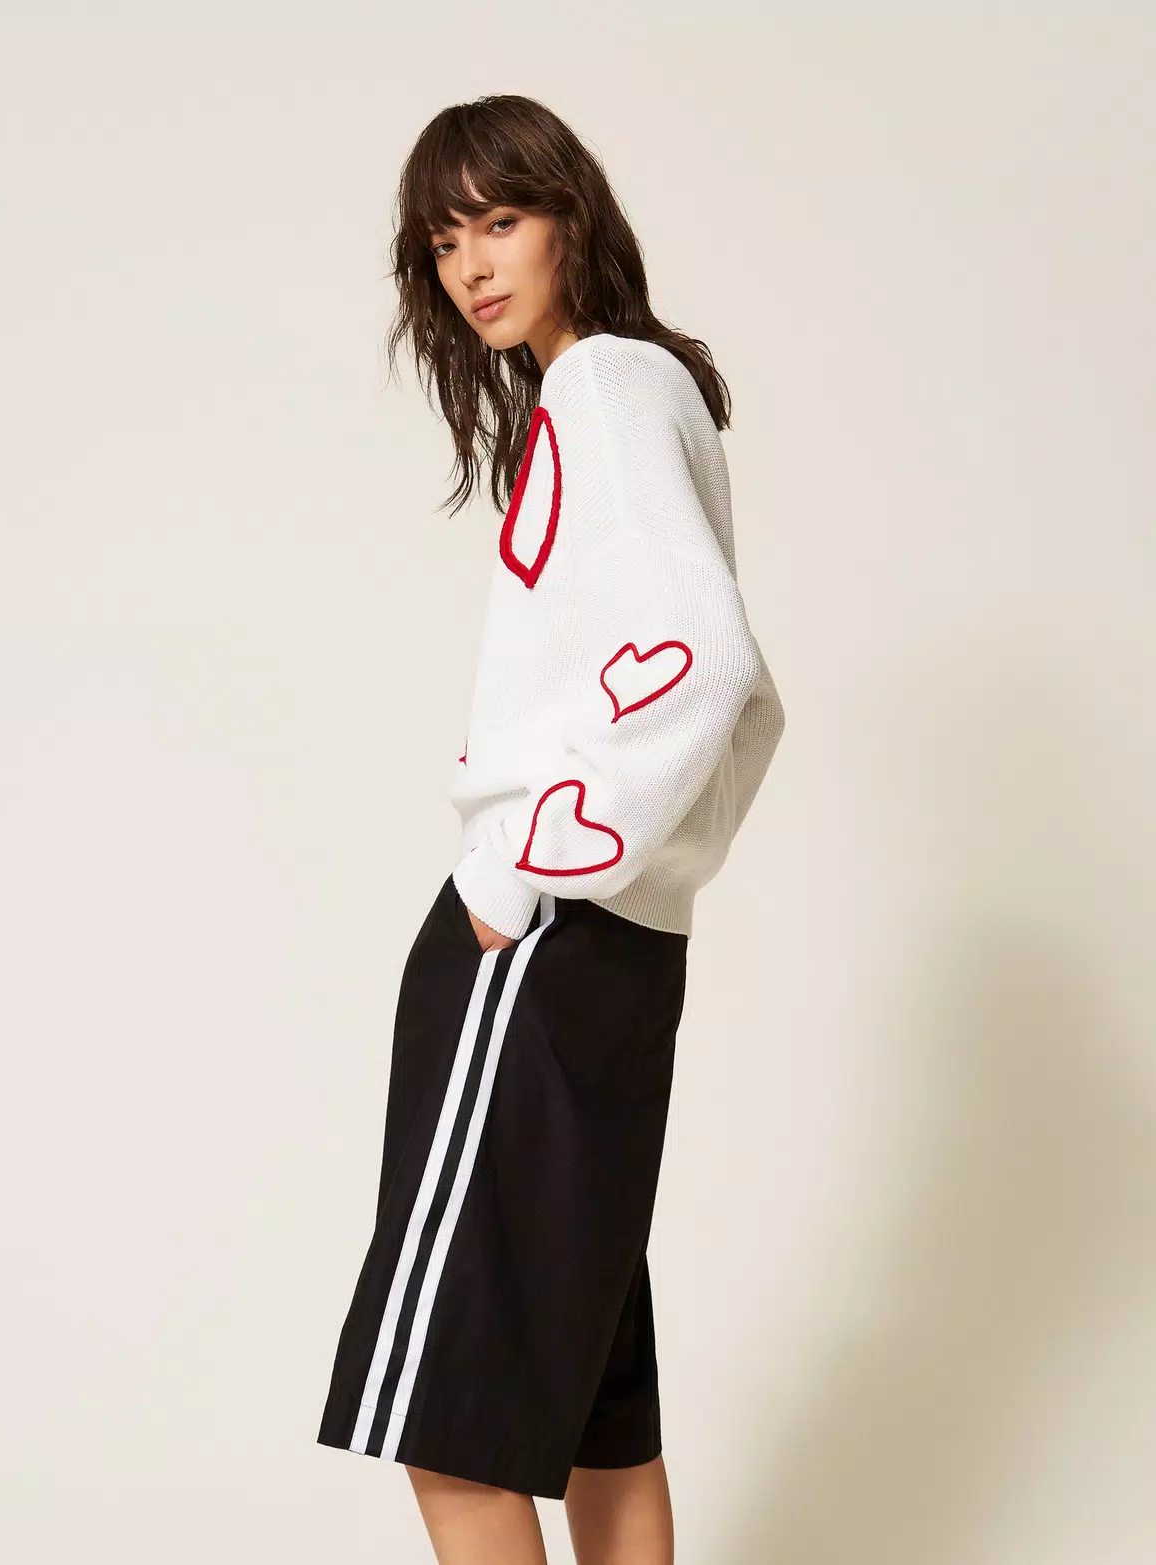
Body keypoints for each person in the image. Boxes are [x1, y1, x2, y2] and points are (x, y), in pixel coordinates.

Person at [316, 93, 786, 1565]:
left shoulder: (602, 389)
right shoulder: (642, 391)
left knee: (448, 1416)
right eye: (442, 241)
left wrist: (523, 871)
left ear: (571, 218)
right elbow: (727, 687)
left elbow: (709, 667)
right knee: (596, 1407)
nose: (471, 265)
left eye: (501, 220)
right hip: (616, 957)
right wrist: (640, 866)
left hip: (541, 947)